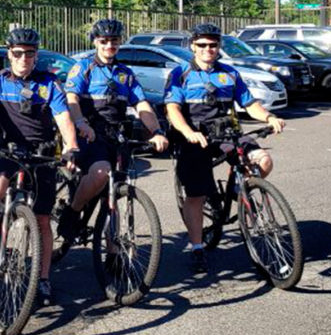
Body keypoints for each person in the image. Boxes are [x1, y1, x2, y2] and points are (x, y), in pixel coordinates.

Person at [0, 27, 81, 304]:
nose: (24, 58)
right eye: (18, 53)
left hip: (40, 154)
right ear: (9, 54)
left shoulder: (49, 84)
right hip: (6, 150)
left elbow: (63, 119)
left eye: (30, 53)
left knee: (41, 219)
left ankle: (42, 279)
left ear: (36, 55)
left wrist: (71, 147)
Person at [164, 23, 285, 273]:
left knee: (263, 161)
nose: (209, 49)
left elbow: (249, 103)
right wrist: (188, 132)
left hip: (227, 133)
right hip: (195, 137)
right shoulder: (180, 73)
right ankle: (197, 247)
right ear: (193, 47)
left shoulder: (229, 73)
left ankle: (243, 192)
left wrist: (268, 117)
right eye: (203, 45)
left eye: (214, 45)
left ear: (219, 47)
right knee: (196, 194)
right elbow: (173, 109)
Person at [59, 19, 169, 242]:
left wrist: (157, 131)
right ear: (95, 42)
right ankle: (73, 211)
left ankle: (112, 250)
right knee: (100, 173)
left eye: (114, 41)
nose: (110, 45)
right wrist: (80, 122)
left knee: (115, 191)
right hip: (89, 134)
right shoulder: (83, 68)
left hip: (116, 136)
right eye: (104, 41)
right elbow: (71, 99)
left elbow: (141, 104)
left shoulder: (125, 73)